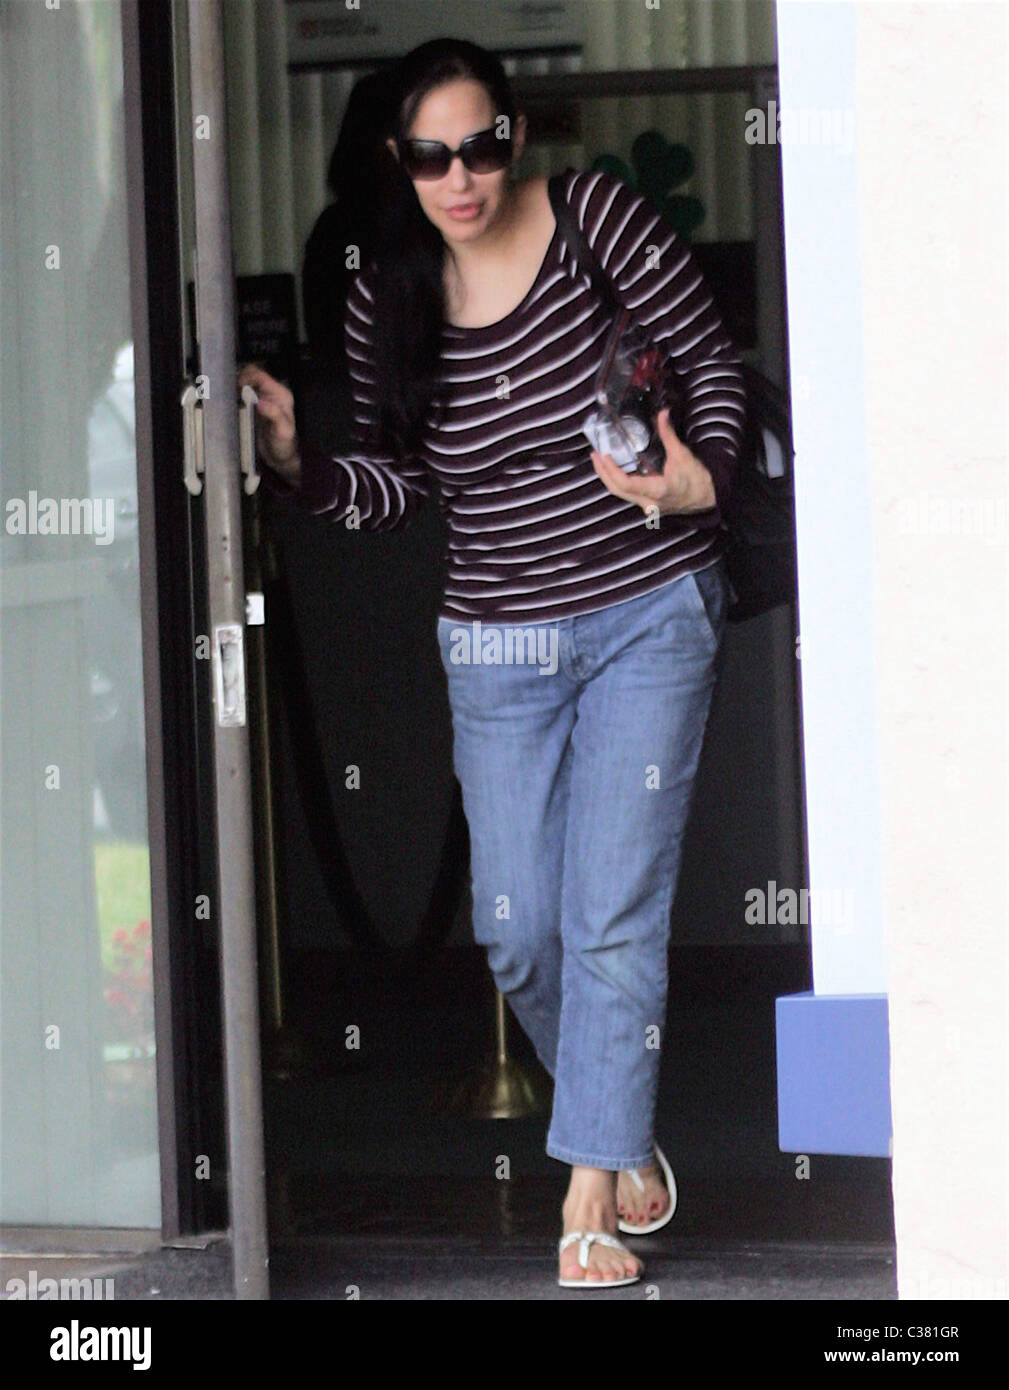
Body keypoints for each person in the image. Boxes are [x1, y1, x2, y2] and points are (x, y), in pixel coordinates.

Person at [239, 36, 747, 1291]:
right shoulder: (387, 293)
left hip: (644, 606)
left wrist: (700, 480)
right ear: (398, 164)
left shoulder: (595, 221)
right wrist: (303, 466)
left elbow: (715, 369)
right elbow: (400, 490)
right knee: (515, 925)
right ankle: (616, 1130)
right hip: (497, 639)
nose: (459, 177)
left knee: (610, 911)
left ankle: (588, 1203)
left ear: (513, 138)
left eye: (479, 146)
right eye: (429, 155)